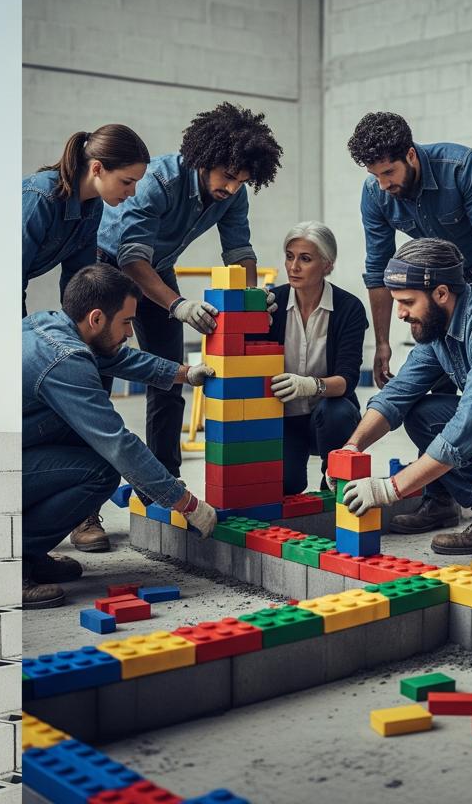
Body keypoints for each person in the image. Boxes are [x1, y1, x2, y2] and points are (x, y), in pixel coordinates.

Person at [95, 102, 282, 495]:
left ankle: (164, 483)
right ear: (204, 159)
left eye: (241, 181)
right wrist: (179, 305)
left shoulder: (233, 194)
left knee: (168, 375)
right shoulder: (158, 182)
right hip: (108, 265)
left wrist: (251, 298)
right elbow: (131, 259)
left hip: (157, 267)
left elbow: (239, 250)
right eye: (228, 176)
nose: (231, 188)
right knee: (97, 381)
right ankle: (86, 508)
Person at [22, 264, 217, 607]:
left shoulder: (53, 325)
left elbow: (118, 357)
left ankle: (30, 553)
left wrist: (184, 374)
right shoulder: (65, 359)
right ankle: (11, 558)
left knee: (83, 443)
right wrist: (184, 502)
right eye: (126, 322)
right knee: (102, 470)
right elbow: (118, 443)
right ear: (96, 318)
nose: (130, 332)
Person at [336, 239, 472, 555]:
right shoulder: (438, 327)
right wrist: (351, 448)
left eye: (408, 302)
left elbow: (467, 423)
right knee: (423, 413)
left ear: (441, 293)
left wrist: (390, 488)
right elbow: (397, 395)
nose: (399, 313)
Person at [348, 111, 472, 391]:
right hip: (438, 287)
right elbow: (377, 269)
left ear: (410, 155)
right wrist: (382, 343)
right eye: (374, 175)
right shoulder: (374, 193)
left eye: (388, 173)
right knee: (437, 376)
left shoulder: (462, 167)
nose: (383, 184)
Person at [265, 222, 367, 494]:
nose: (293, 266)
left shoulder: (349, 308)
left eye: (305, 259)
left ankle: (333, 478)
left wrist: (311, 385)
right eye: (289, 256)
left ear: (327, 265)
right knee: (288, 484)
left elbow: (347, 380)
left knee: (339, 411)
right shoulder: (273, 302)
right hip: (284, 418)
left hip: (327, 415)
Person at [22, 125, 149, 316]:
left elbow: (77, 284)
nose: (132, 192)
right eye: (127, 182)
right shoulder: (41, 197)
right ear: (97, 168)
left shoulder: (93, 207)